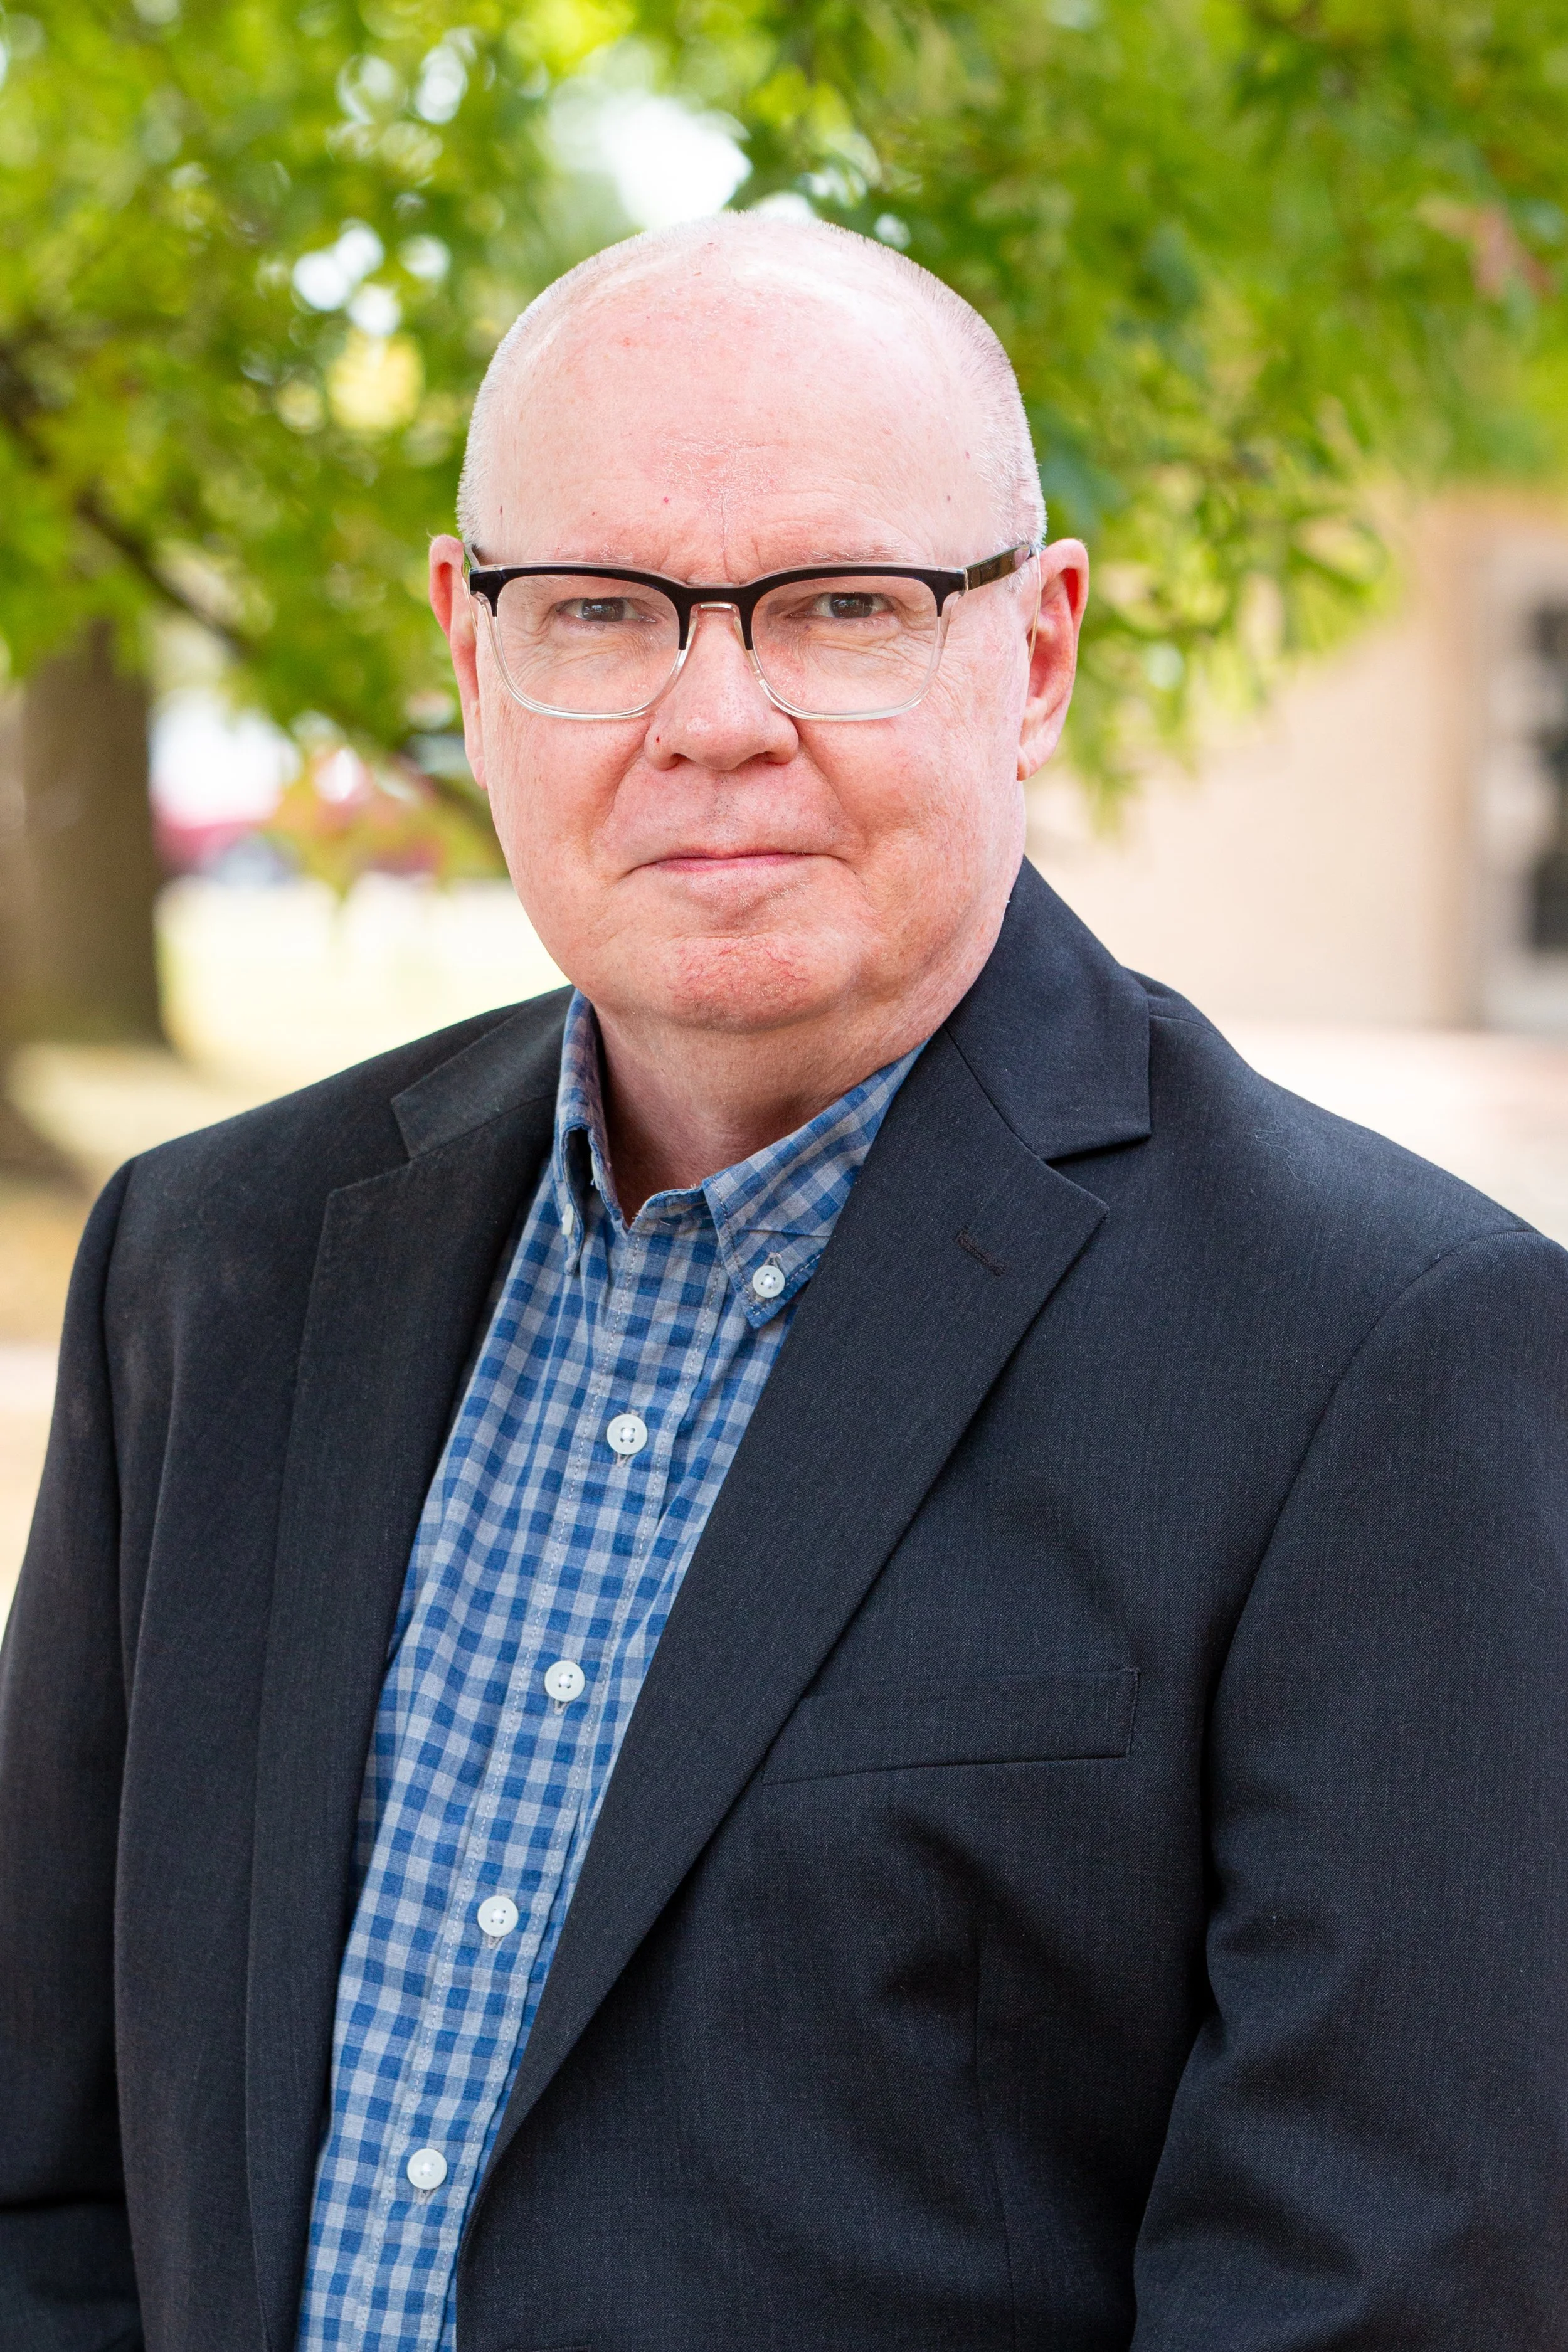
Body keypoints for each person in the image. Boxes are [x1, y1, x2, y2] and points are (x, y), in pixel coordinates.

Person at [3, 213, 1567, 2352]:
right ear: (471, 651)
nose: (710, 715)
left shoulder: (1390, 1357)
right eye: (600, 611)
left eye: (839, 605)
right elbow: (51, 2182)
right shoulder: (213, 1265)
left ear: (1031, 653)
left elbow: (1381, 2297)